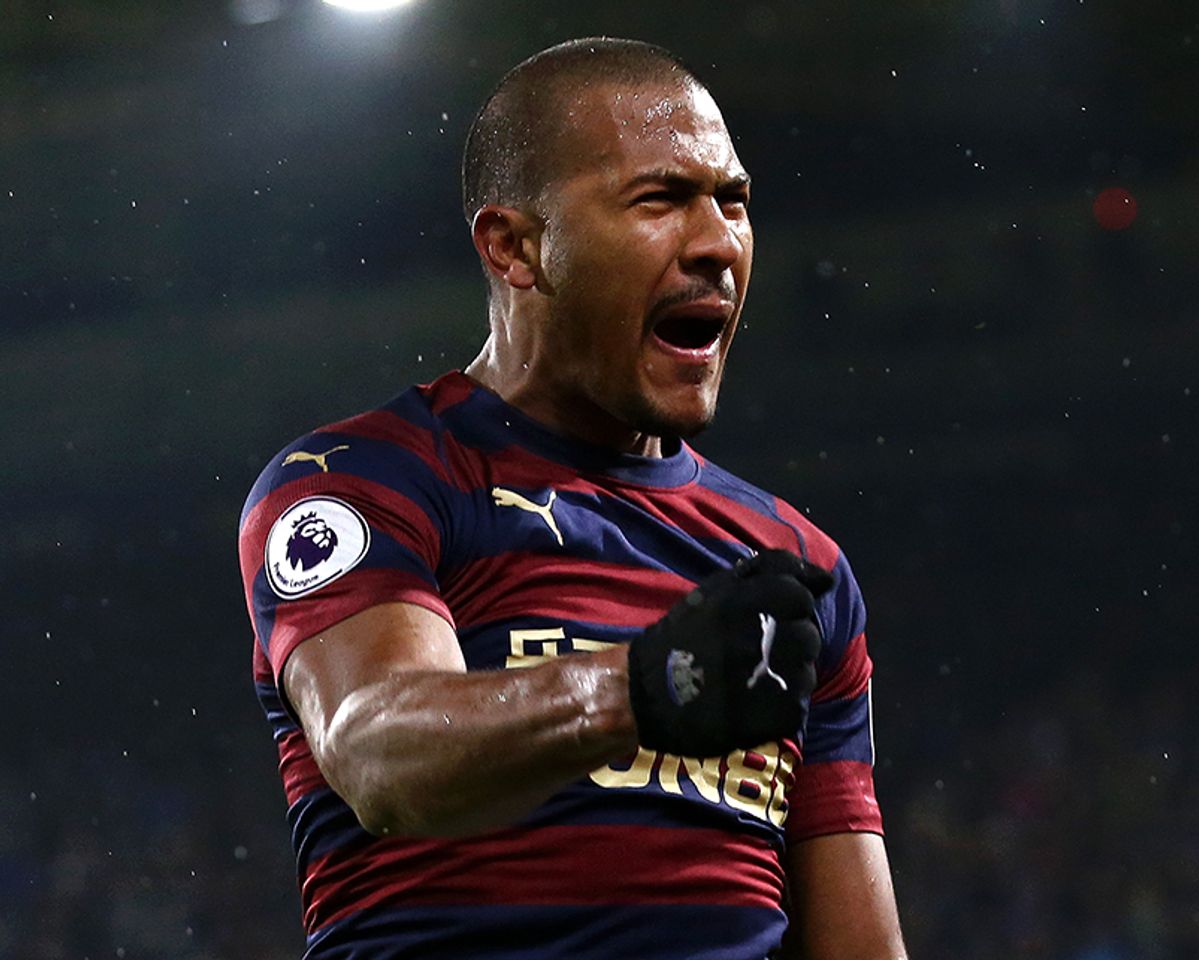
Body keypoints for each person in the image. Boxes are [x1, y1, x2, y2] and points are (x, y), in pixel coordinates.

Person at [238, 37, 907, 959]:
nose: (716, 243)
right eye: (661, 199)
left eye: (734, 202)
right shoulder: (366, 480)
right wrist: (644, 688)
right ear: (514, 246)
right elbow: (380, 753)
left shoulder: (798, 567)